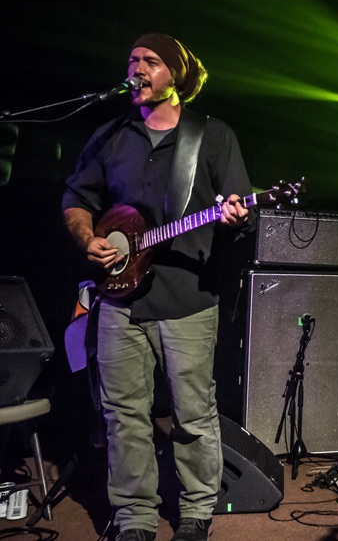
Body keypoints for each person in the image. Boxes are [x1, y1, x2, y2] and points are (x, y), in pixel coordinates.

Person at [62, 34, 253, 541]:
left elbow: (239, 211)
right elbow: (76, 197)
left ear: (177, 75)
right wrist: (89, 240)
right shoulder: (111, 135)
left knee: (192, 412)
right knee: (123, 415)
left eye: (150, 61)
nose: (138, 68)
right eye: (132, 61)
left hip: (186, 298)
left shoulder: (211, 137)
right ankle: (134, 519)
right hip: (117, 296)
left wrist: (234, 216)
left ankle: (195, 513)